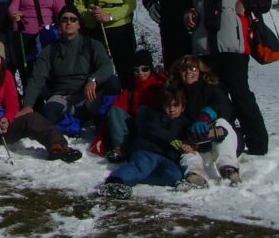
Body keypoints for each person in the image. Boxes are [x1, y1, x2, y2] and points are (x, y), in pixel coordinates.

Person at [187, 0, 271, 156]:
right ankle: (227, 141)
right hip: (205, 47)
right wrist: (189, 15)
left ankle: (258, 144)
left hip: (233, 45)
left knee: (240, 92)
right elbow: (188, 3)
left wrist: (247, 4)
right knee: (216, 96)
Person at [0, 41, 81, 169]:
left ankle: (58, 146)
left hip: (0, 123)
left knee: (32, 118)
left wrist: (7, 118)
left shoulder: (6, 75)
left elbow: (12, 103)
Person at [19, 5, 119, 129]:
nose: (69, 23)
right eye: (64, 19)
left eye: (73, 19)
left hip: (88, 96)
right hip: (62, 97)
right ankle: (75, 125)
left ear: (79, 24)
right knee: (50, 113)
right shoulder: (49, 50)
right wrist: (28, 105)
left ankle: (104, 124)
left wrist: (93, 80)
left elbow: (107, 67)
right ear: (59, 25)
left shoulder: (92, 45)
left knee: (113, 82)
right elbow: (36, 79)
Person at [95, 86, 193, 200]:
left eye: (176, 105)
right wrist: (171, 140)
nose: (171, 109)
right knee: (141, 166)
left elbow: (191, 137)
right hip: (148, 150)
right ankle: (115, 181)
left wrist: (188, 144)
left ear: (183, 107)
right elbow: (152, 129)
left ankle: (135, 178)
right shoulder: (155, 116)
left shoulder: (185, 124)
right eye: (168, 105)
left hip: (168, 157)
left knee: (174, 176)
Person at [168, 55, 242, 186]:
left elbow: (224, 108)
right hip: (195, 143)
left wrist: (205, 116)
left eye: (193, 68)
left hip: (220, 139)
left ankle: (228, 168)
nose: (189, 72)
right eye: (184, 69)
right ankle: (195, 175)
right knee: (187, 152)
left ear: (200, 71)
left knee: (222, 123)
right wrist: (187, 138)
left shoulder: (212, 87)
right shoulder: (175, 93)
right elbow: (173, 119)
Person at [97, 48, 167, 161]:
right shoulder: (131, 88)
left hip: (153, 126)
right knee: (115, 110)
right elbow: (116, 109)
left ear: (151, 69)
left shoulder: (161, 85)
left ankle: (141, 146)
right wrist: (101, 137)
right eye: (136, 70)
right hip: (134, 125)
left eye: (144, 69)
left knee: (143, 110)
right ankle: (121, 148)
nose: (140, 73)